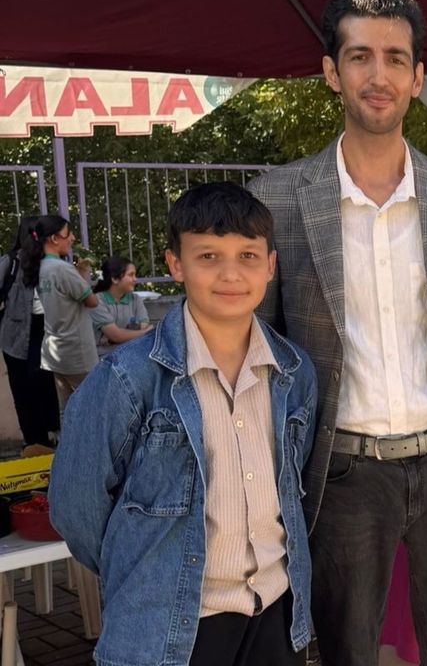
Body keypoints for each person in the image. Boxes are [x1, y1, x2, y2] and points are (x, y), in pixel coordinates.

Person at [247, 0, 427, 665]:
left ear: (417, 78)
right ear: (332, 72)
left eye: (394, 58)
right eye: (360, 57)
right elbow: (262, 352)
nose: (377, 75)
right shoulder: (278, 199)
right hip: (342, 473)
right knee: (347, 653)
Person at [49, 182, 318, 666]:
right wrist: (144, 573)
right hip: (170, 627)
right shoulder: (125, 379)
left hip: (275, 615)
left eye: (248, 256)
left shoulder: (294, 373)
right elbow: (77, 507)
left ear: (271, 265)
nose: (231, 274)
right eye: (208, 256)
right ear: (176, 264)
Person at [24, 215, 98, 410]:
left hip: (54, 352)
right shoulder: (62, 269)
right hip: (77, 352)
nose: (72, 238)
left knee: (66, 409)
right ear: (54, 238)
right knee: (91, 407)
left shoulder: (40, 267)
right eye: (68, 233)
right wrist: (82, 276)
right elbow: (92, 301)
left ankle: (67, 433)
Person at [0, 216, 59, 447]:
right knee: (22, 389)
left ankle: (51, 436)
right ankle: (33, 441)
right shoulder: (11, 262)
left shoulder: (52, 262)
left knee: (45, 385)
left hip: (46, 330)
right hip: (15, 334)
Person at [91, 255, 152, 355]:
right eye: (131, 275)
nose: (135, 279)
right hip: (103, 357)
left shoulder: (135, 299)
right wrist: (143, 333)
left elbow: (144, 327)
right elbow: (116, 336)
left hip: (130, 354)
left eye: (135, 275)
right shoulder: (97, 301)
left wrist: (121, 335)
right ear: (115, 279)